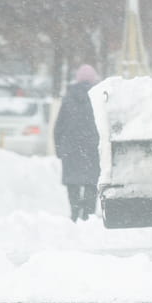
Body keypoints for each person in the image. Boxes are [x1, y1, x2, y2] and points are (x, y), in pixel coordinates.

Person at [52, 64, 101, 222]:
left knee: (73, 182)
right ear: (93, 80)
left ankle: (74, 212)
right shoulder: (98, 98)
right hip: (93, 148)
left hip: (71, 148)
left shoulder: (68, 98)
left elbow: (58, 127)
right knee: (91, 182)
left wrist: (59, 149)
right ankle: (88, 215)